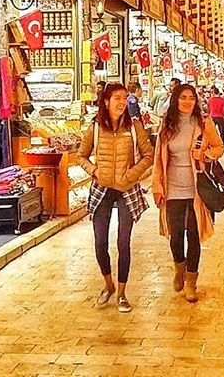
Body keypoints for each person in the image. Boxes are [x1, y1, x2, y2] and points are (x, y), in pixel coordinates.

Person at [73, 83, 154, 313]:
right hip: (102, 189)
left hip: (127, 189)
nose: (121, 102)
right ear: (106, 102)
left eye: (124, 98)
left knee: (123, 242)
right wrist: (95, 171)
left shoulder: (135, 126)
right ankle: (107, 284)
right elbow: (81, 156)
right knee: (100, 243)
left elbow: (149, 155)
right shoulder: (96, 128)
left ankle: (121, 293)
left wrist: (131, 174)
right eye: (116, 98)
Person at [152, 84, 224, 303]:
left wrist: (205, 155)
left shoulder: (204, 124)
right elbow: (158, 158)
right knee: (175, 235)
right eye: (183, 97)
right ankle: (178, 267)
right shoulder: (167, 125)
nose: (187, 102)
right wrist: (157, 186)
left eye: (191, 98)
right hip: (172, 187)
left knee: (194, 235)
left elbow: (219, 147)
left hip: (197, 189)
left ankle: (191, 283)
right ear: (175, 99)